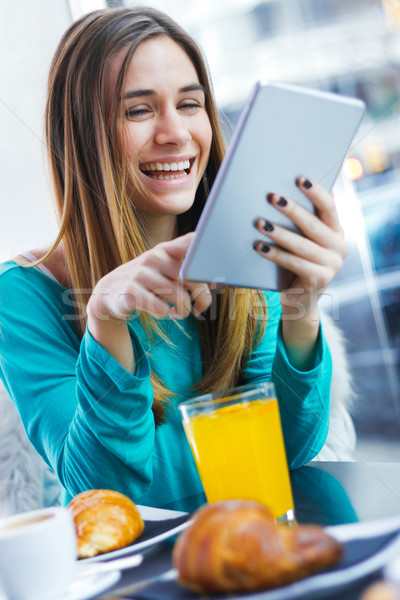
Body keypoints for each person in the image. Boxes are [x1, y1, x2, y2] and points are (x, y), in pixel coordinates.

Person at [0, 7, 348, 509]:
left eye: (190, 104)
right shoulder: (22, 295)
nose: (175, 132)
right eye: (138, 111)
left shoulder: (242, 252)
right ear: (79, 136)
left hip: (245, 547)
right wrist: (103, 318)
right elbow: (106, 494)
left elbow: (287, 452)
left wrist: (303, 308)